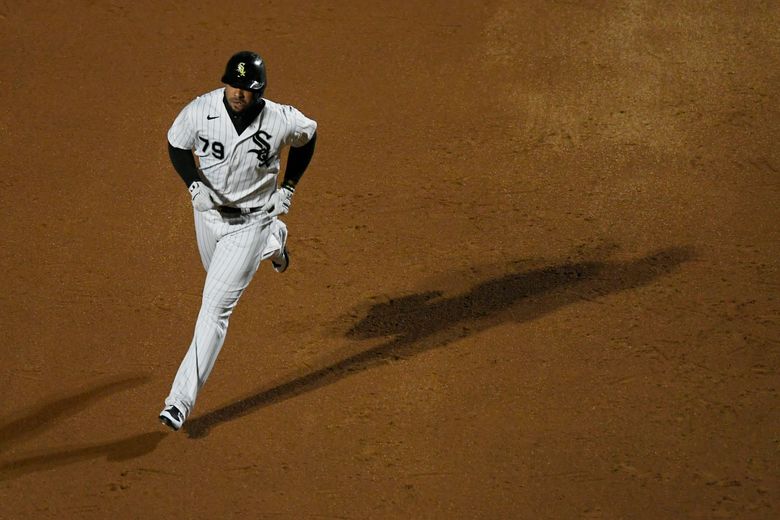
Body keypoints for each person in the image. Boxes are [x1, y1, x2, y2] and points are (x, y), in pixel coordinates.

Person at [159, 51, 318, 431]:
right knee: (214, 275)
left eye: (247, 88)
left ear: (259, 91)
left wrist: (289, 187)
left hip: (252, 219)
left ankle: (179, 401)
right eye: (233, 84)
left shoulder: (280, 118)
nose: (238, 93)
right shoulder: (200, 110)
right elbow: (176, 144)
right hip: (209, 217)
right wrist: (193, 183)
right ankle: (275, 241)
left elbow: (308, 136)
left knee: (214, 308)